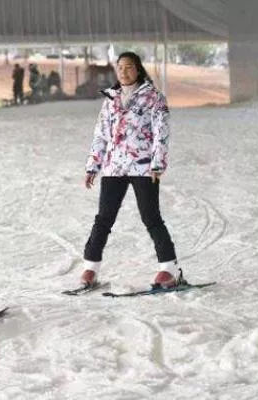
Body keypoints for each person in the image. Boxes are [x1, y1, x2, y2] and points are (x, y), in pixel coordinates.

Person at [81, 51, 178, 289]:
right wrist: (93, 165)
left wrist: (158, 163)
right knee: (104, 218)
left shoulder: (154, 97)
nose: (124, 72)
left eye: (129, 67)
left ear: (138, 69)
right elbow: (101, 135)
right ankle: (90, 268)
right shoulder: (111, 99)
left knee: (150, 217)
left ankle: (169, 269)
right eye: (120, 67)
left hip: (144, 166)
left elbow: (161, 133)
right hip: (114, 166)